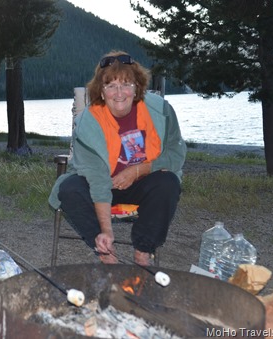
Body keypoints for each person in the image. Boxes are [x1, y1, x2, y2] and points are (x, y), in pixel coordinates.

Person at [49, 51, 186, 266]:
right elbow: (97, 180)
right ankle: (105, 252)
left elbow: (176, 155)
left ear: (137, 88)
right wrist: (106, 230)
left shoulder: (161, 111)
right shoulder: (88, 124)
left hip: (143, 184)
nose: (119, 93)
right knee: (69, 189)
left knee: (168, 183)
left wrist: (138, 170)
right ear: (101, 92)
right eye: (110, 85)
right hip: (102, 186)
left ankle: (143, 251)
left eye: (126, 84)